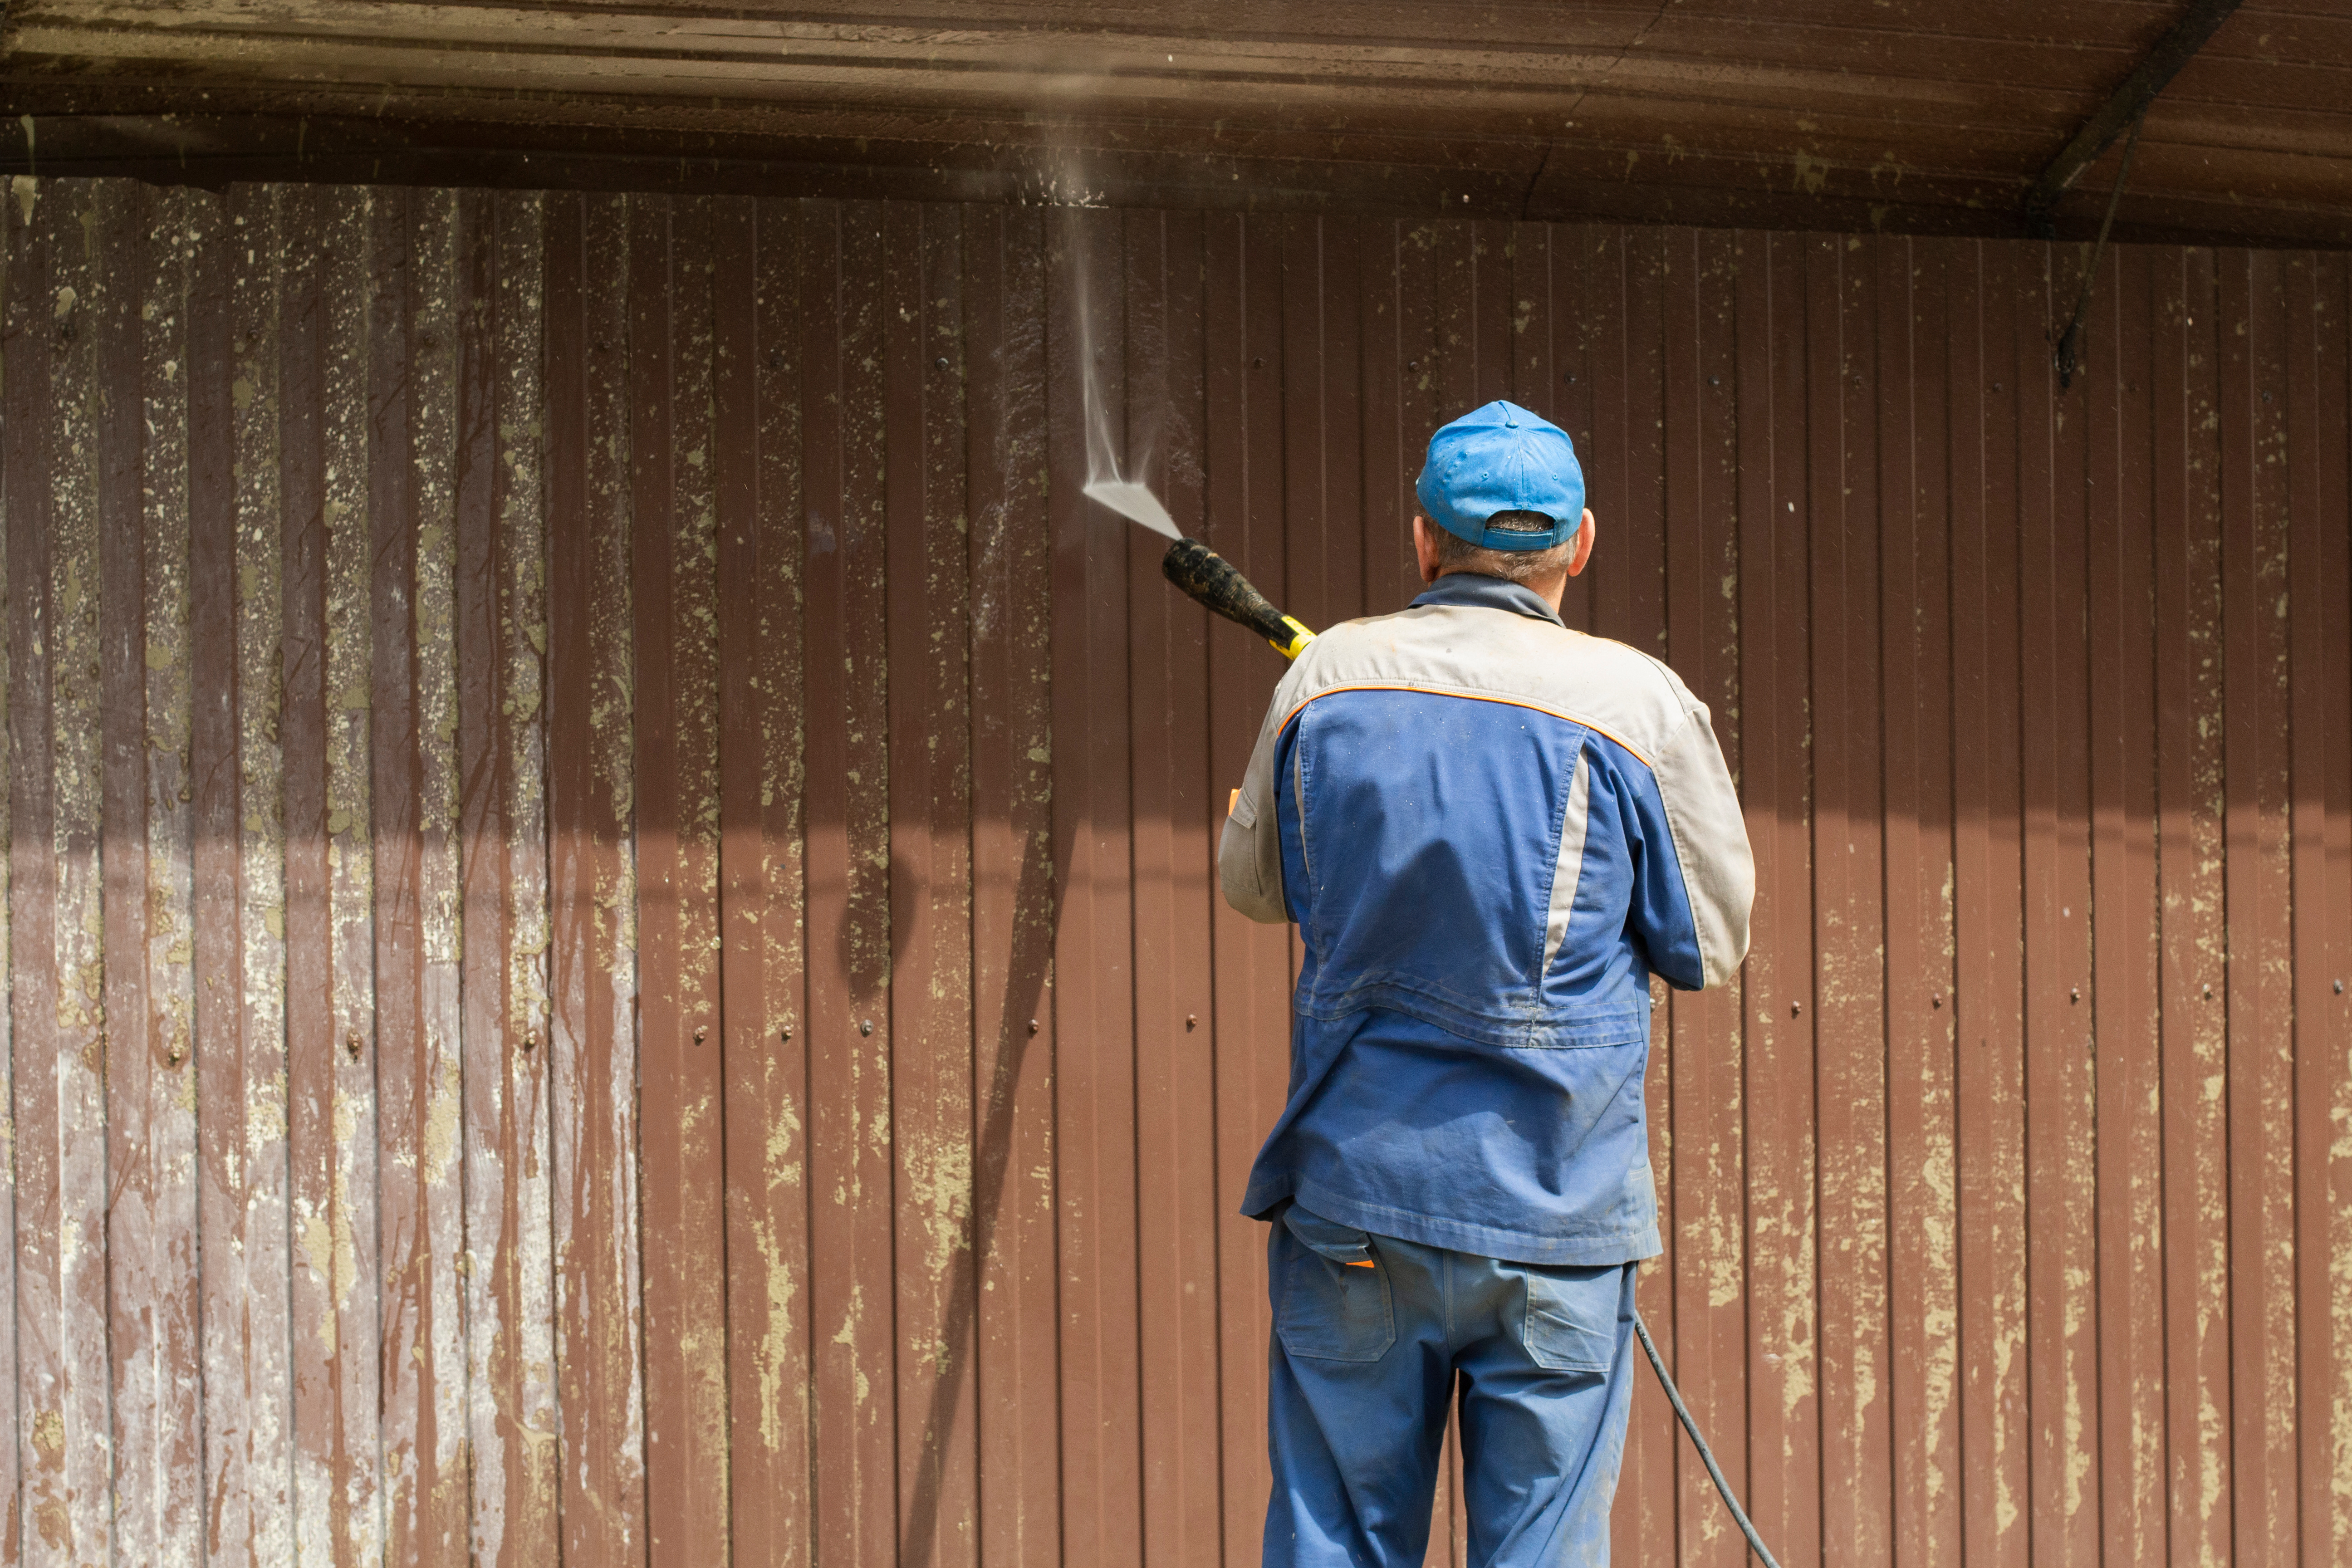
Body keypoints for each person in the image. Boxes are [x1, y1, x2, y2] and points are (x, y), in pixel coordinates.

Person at [1220, 400, 1753, 1568]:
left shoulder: (1326, 682)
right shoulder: (1639, 706)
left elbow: (1253, 887)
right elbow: (1710, 946)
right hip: (1556, 1216)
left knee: (1336, 1546)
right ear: (1581, 543)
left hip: (1355, 1198)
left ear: (1423, 541)